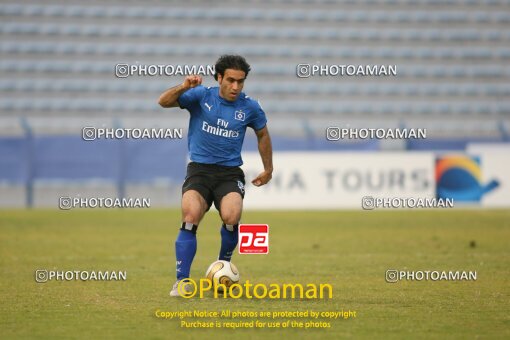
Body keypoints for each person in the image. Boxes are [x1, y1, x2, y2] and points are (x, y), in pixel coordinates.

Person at [158, 55, 273, 296]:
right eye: (230, 80)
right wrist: (183, 87)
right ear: (219, 77)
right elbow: (163, 101)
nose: (236, 87)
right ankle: (182, 282)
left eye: (240, 82)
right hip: (199, 170)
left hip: (229, 173)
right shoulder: (201, 96)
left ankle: (222, 268)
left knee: (232, 216)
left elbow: (262, 134)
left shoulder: (250, 106)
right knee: (190, 216)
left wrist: (268, 169)